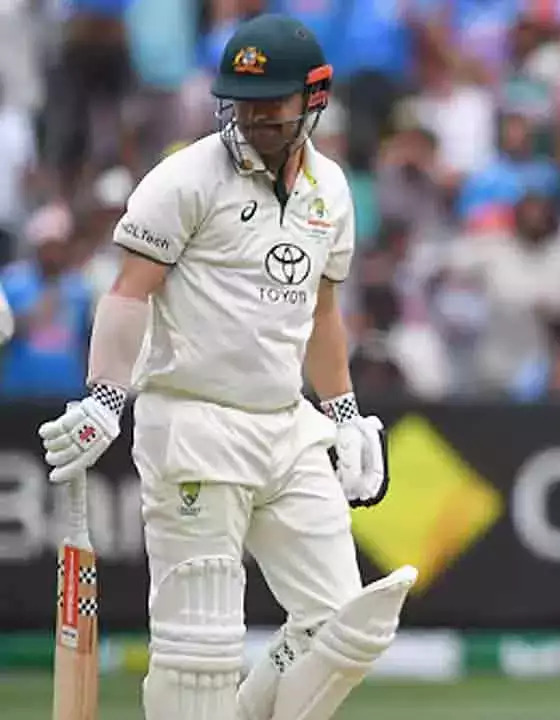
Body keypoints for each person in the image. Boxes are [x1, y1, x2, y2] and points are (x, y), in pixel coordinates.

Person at [34, 14, 415, 720]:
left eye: (272, 104)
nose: (254, 119)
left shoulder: (330, 193)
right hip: (193, 423)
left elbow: (321, 315)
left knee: (344, 627)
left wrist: (344, 414)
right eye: (242, 103)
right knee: (198, 655)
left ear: (313, 99)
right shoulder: (183, 179)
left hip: (286, 427)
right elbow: (128, 296)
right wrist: (103, 399)